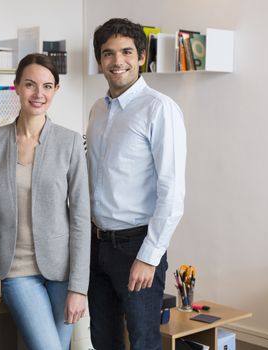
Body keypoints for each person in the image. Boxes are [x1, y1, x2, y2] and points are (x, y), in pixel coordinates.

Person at [86, 18, 187, 349]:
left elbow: (171, 192)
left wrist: (149, 256)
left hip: (136, 247)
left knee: (143, 341)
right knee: (103, 339)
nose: (118, 62)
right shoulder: (97, 111)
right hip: (97, 244)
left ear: (141, 56)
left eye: (126, 52)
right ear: (100, 60)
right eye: (108, 53)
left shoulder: (160, 109)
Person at [0, 53, 91, 350]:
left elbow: (81, 218)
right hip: (16, 272)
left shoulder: (70, 142)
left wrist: (79, 288)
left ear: (56, 90)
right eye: (30, 85)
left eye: (47, 86)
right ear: (17, 87)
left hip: (62, 273)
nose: (39, 94)